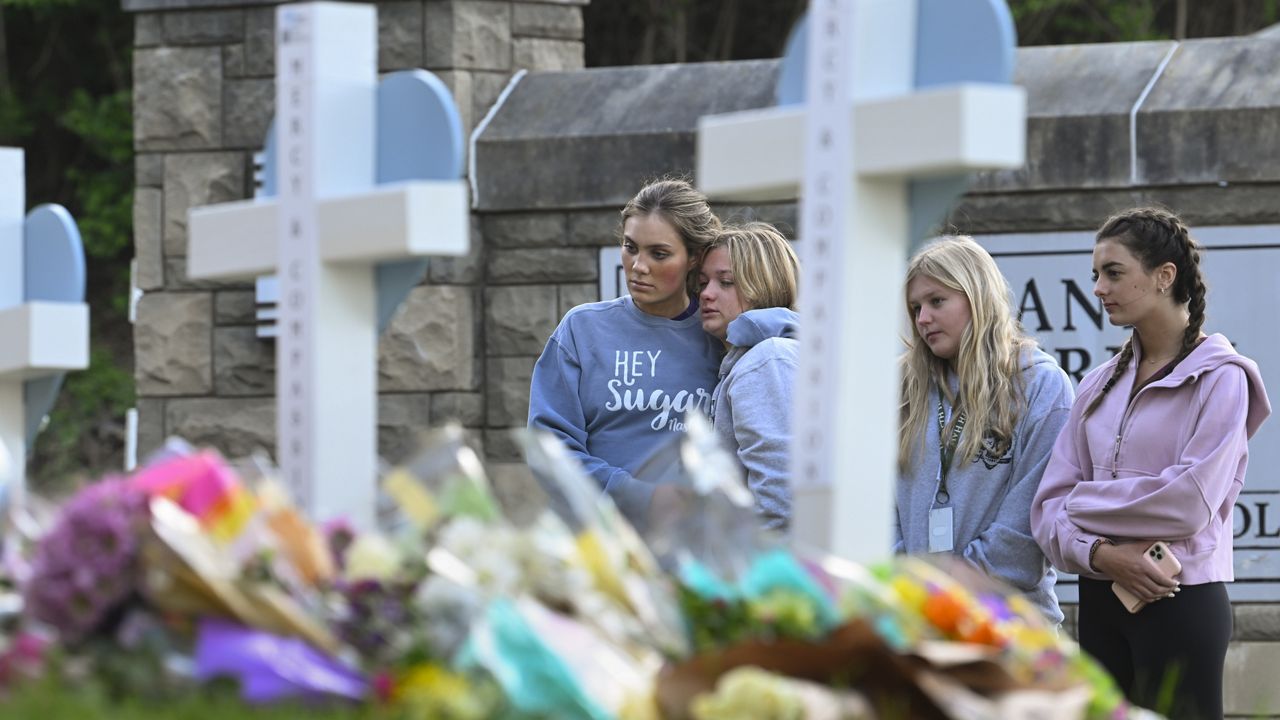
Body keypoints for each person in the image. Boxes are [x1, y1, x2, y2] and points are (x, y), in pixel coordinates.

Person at [1031, 207, 1271, 719]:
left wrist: (1083, 504)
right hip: (1099, 603)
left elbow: (1188, 504)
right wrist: (1099, 554)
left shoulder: (1221, 378)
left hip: (1181, 600)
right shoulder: (1096, 386)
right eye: (1095, 274)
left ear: (1165, 276)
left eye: (1113, 272)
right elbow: (1046, 510)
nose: (1099, 287)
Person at [894, 235, 1073, 625]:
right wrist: (903, 586)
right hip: (912, 624)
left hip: (1011, 628)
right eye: (915, 307)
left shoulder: (1040, 385)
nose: (922, 318)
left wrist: (943, 592)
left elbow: (1027, 528)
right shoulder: (902, 386)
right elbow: (879, 505)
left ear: (977, 298)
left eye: (937, 301)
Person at [527, 178, 723, 526]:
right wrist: (642, 498)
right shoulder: (582, 330)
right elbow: (549, 450)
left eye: (658, 254)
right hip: (600, 543)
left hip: (696, 547)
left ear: (694, 257)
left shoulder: (720, 335)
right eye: (630, 247)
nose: (638, 266)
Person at [697, 222, 800, 532]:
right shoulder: (754, 356)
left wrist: (753, 574)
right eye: (702, 283)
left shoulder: (765, 359)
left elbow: (781, 499)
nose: (706, 294)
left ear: (764, 284)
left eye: (725, 282)